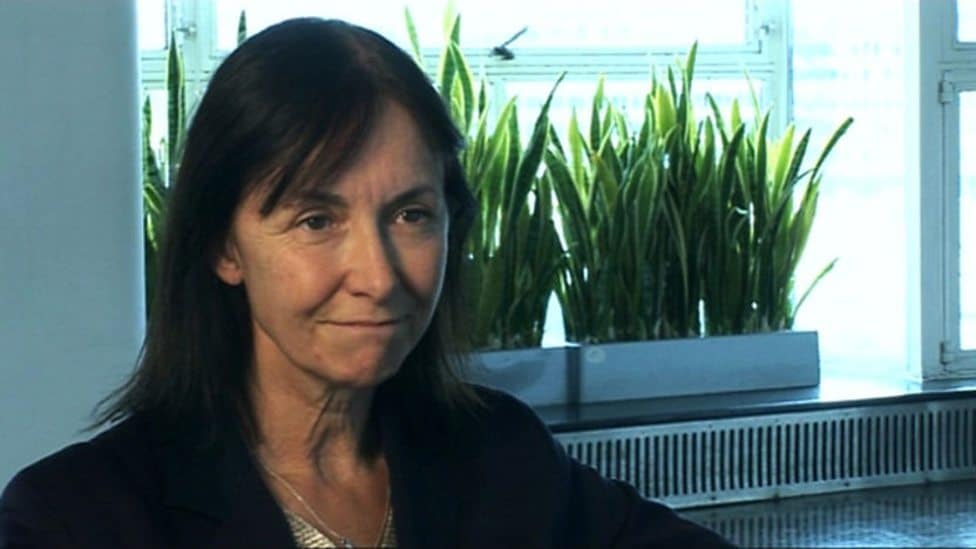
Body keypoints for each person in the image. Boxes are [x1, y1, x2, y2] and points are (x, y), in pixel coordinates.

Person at [0, 18, 731, 548]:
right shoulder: (77, 517)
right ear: (224, 246)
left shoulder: (501, 456)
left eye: (411, 215)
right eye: (317, 220)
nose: (379, 277)